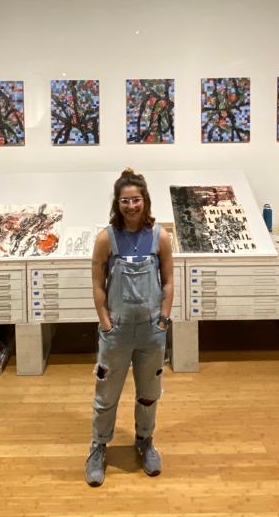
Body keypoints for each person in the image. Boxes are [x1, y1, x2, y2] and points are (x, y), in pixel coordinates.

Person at [85, 168, 174, 487]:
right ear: (117, 203)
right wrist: (105, 321)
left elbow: (169, 281)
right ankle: (98, 447)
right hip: (117, 331)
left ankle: (145, 441)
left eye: (136, 199)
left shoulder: (160, 236)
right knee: (106, 394)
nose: (131, 205)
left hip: (152, 330)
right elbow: (97, 283)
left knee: (149, 393)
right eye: (125, 200)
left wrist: (163, 318)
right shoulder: (106, 238)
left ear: (145, 201)